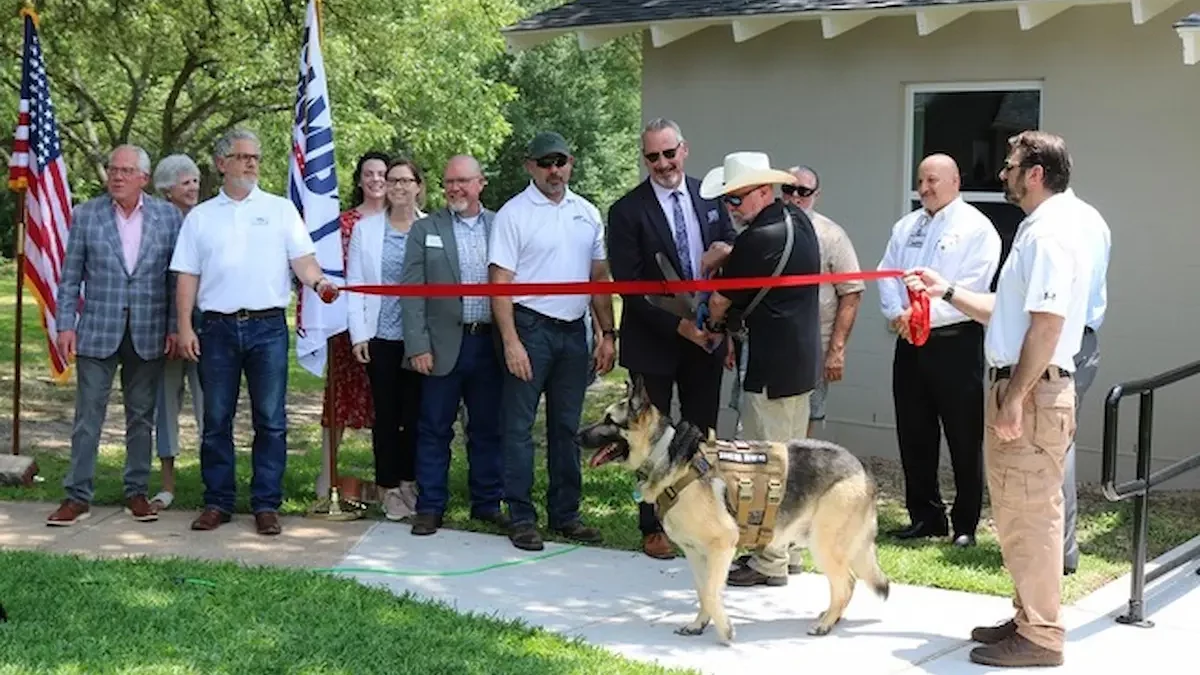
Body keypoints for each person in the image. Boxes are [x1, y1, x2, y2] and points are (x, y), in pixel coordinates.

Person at [904, 130, 1091, 668]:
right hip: (1021, 385)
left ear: (1035, 174)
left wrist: (1015, 398)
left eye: (1011, 166)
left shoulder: (1051, 234)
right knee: (1015, 513)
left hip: (1031, 390)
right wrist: (945, 290)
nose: (1003, 173)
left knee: (1032, 515)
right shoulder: (1037, 229)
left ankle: (1040, 637)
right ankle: (1027, 616)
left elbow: (1048, 325)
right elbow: (1007, 313)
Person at [171, 128, 339, 536]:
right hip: (217, 329)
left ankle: (266, 505)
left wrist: (319, 284)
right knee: (216, 420)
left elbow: (305, 262)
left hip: (267, 329)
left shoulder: (281, 210)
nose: (251, 163)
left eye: (256, 157)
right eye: (243, 156)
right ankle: (218, 502)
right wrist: (183, 327)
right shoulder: (201, 217)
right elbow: (186, 276)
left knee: (271, 420)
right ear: (221, 163)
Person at [605, 118, 736, 560]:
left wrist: (721, 328)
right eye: (652, 156)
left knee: (701, 433)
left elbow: (732, 267)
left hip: (708, 340)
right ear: (644, 159)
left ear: (685, 149)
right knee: (651, 438)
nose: (662, 163)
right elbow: (631, 285)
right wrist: (680, 327)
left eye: (669, 152)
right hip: (654, 340)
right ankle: (653, 525)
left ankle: (701, 517)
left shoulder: (711, 198)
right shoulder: (626, 211)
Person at [695, 151, 821, 587]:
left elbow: (719, 302)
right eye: (727, 201)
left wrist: (712, 304)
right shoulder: (796, 220)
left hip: (771, 364)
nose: (730, 208)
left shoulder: (757, 239)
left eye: (737, 199)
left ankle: (769, 561)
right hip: (799, 360)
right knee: (792, 460)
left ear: (763, 191)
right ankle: (789, 551)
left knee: (766, 465)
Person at [489, 131, 617, 552]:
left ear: (571, 163)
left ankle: (566, 514)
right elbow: (500, 285)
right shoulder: (514, 214)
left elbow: (599, 279)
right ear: (530, 166)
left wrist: (606, 333)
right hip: (529, 328)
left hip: (573, 331)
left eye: (560, 161)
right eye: (545, 163)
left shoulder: (587, 213)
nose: (554, 170)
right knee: (519, 427)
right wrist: (510, 342)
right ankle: (522, 517)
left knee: (567, 428)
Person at [47, 144, 183, 526]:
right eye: (113, 170)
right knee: (87, 417)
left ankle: (136, 492)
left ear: (143, 177)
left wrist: (174, 326)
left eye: (126, 171)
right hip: (97, 331)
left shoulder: (168, 217)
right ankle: (77, 496)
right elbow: (70, 277)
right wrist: (64, 325)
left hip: (149, 331)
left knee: (142, 417)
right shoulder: (86, 215)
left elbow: (176, 280)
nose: (117, 176)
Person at [877, 154, 1001, 547]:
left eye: (933, 180)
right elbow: (887, 273)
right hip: (910, 345)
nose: (925, 188)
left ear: (955, 180)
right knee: (914, 433)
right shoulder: (907, 226)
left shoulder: (977, 229)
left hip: (955, 344)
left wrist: (921, 315)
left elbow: (972, 288)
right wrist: (897, 312)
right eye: (920, 180)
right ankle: (925, 516)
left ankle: (965, 524)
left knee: (963, 436)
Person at [400, 155, 507, 536]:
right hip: (441, 345)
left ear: (481, 183)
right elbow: (410, 294)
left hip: (489, 344)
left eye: (463, 181)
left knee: (487, 428)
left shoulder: (502, 226)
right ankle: (430, 507)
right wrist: (417, 345)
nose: (455, 189)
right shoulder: (424, 229)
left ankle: (487, 503)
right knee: (433, 429)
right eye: (449, 182)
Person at [346, 157, 427, 521]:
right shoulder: (367, 229)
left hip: (420, 339)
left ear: (417, 186)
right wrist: (359, 334)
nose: (397, 187)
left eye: (405, 181)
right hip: (381, 335)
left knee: (416, 416)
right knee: (387, 416)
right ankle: (389, 487)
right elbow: (356, 285)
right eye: (392, 181)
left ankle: (411, 482)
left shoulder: (431, 228)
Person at [316, 151, 388, 504]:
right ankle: (326, 478)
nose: (376, 180)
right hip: (346, 326)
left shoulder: (402, 222)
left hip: (390, 327)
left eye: (382, 174)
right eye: (369, 174)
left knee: (388, 406)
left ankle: (388, 482)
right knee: (339, 403)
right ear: (359, 180)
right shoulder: (342, 225)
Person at [782, 165, 864, 437]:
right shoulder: (764, 228)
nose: (795, 197)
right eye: (788, 189)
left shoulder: (831, 235)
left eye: (803, 191)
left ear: (817, 195)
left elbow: (851, 291)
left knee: (807, 420)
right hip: (767, 345)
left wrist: (837, 350)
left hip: (815, 345)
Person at [148, 153, 204, 512]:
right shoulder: (156, 223)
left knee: (210, 408)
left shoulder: (207, 220)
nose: (194, 187)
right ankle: (167, 485)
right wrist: (173, 328)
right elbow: (163, 281)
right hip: (165, 333)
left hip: (208, 330)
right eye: (186, 182)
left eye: (197, 181)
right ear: (167, 190)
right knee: (165, 407)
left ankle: (211, 484)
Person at [1061, 188, 1110, 576]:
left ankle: (1057, 553)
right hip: (1082, 341)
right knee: (1061, 445)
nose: (1003, 174)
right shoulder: (1092, 217)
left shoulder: (1055, 225)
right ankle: (1061, 551)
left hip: (1062, 342)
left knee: (1053, 446)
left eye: (1011, 167)